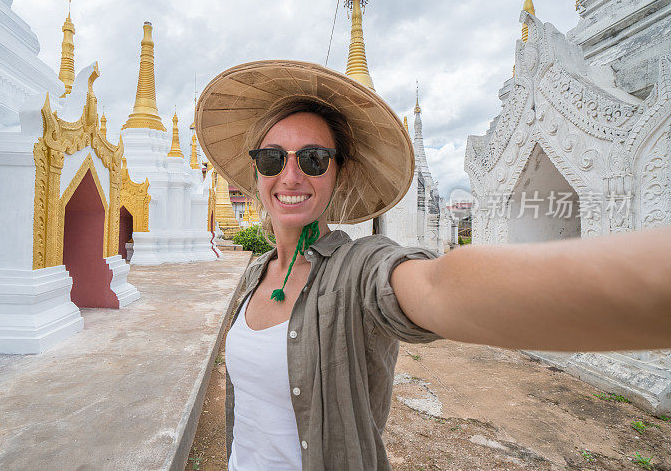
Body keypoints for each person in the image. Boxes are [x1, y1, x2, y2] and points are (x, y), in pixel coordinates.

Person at [194, 60, 671, 471]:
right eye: (273, 158)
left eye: (314, 159)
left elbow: (440, 288)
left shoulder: (356, 269)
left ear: (338, 175)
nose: (290, 175)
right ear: (257, 170)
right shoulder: (258, 272)